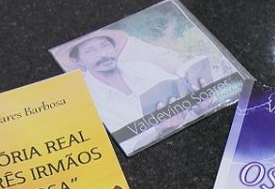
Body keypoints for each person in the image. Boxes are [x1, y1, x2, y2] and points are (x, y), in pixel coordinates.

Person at [51, 30, 213, 151]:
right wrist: (159, 131)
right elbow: (125, 149)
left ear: (114, 48)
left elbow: (183, 100)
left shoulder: (144, 68)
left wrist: (200, 107)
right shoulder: (86, 100)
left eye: (105, 45)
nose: (103, 54)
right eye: (90, 51)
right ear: (79, 61)